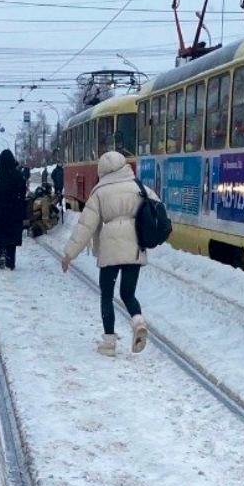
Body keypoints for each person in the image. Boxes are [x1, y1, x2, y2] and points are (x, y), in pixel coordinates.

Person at [61, 149, 152, 356]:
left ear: (102, 170)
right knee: (128, 293)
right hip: (135, 247)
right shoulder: (138, 187)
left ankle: (109, 343)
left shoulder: (99, 192)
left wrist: (69, 255)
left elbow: (85, 226)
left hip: (110, 250)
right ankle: (138, 320)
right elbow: (156, 209)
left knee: (107, 295)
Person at [0, 149, 27, 270]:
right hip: (15, 211)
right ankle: (11, 261)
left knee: (1, 233)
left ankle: (2, 253)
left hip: (0, 210)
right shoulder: (19, 175)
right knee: (12, 236)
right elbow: (23, 193)